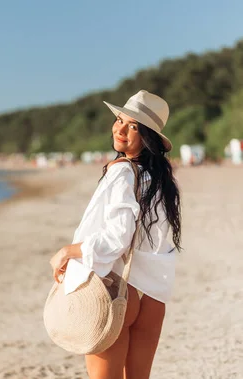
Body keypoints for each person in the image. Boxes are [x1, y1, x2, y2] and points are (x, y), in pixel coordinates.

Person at [49, 90, 182, 379]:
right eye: (119, 120)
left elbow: (118, 236)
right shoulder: (161, 179)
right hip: (153, 297)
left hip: (118, 293)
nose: (120, 129)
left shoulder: (122, 172)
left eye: (132, 126)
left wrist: (68, 251)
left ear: (147, 136)